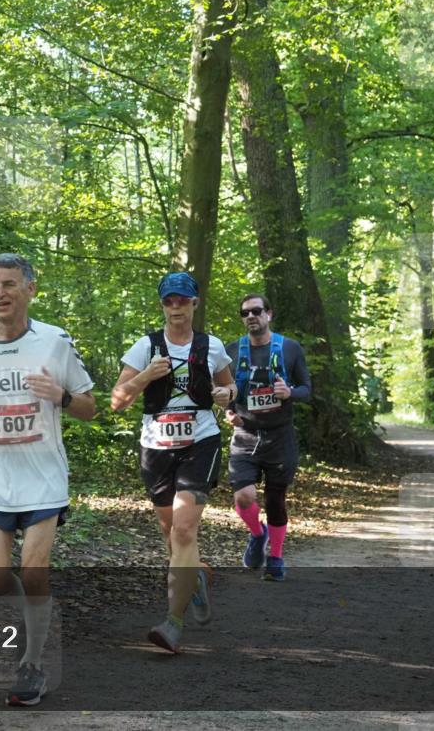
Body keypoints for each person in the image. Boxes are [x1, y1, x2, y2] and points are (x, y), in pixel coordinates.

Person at [0, 253, 95, 705]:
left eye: (9, 285)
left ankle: (32, 660)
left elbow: (89, 408)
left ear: (30, 290)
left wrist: (61, 395)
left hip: (43, 478)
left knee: (34, 569)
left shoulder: (54, 341)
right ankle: (35, 622)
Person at [111, 271, 234, 654]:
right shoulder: (144, 347)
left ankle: (173, 622)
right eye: (169, 300)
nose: (176, 306)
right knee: (170, 535)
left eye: (183, 299)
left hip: (200, 441)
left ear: (195, 302)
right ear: (162, 304)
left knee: (183, 530)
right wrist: (146, 375)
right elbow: (117, 401)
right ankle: (192, 577)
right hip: (156, 446)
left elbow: (230, 387)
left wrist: (224, 394)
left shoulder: (211, 346)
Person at [224, 294, 312, 582]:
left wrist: (291, 393)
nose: (251, 317)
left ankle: (275, 557)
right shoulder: (233, 350)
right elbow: (225, 390)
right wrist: (227, 411)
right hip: (245, 434)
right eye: (245, 313)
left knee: (275, 502)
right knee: (244, 497)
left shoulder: (290, 348)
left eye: (257, 311)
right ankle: (257, 534)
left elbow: (307, 388)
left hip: (280, 437)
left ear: (269, 314)